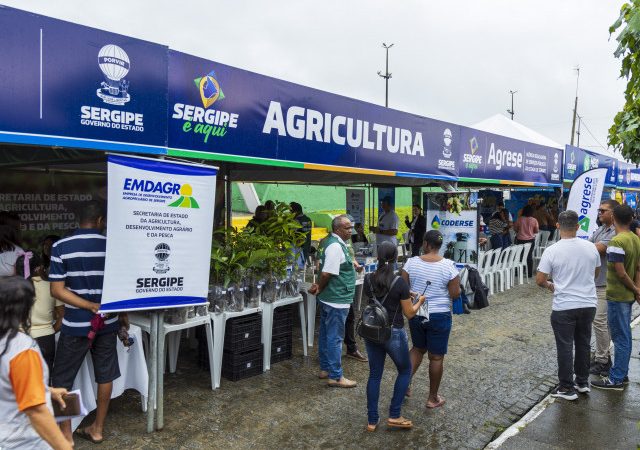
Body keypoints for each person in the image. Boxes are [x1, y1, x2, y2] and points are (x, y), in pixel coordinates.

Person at [49, 200, 125, 444]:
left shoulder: (61, 246)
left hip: (74, 325)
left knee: (62, 381)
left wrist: (86, 305)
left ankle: (65, 437)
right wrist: (116, 313)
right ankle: (97, 428)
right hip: (108, 323)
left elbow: (57, 291)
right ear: (101, 220)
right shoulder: (113, 246)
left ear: (79, 220)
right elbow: (122, 288)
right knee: (105, 375)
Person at [0, 276, 72, 450]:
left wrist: (46, 390)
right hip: (22, 441)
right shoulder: (21, 348)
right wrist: (64, 446)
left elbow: (7, 382)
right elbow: (36, 411)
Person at [536, 210, 600, 400]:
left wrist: (551, 286)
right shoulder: (591, 248)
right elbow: (595, 274)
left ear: (557, 226)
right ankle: (582, 382)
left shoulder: (552, 250)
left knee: (565, 346)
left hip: (564, 305)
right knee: (583, 343)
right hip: (588, 303)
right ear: (578, 226)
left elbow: (540, 279)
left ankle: (566, 387)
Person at [363, 242, 426, 431]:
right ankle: (395, 414)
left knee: (374, 375)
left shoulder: (367, 279)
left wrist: (406, 294)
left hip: (372, 331)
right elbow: (409, 313)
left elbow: (381, 294)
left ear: (378, 256)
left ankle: (372, 421)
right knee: (405, 371)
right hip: (393, 333)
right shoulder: (399, 282)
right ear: (395, 257)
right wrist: (419, 300)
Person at [400, 230, 460, 408]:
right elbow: (454, 294)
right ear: (440, 246)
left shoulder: (410, 263)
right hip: (439, 314)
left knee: (418, 348)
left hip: (417, 310)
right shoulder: (449, 266)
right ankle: (432, 398)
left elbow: (404, 288)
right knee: (436, 357)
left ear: (425, 244)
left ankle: (403, 386)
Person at [308, 215, 362, 388]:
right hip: (336, 299)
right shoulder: (335, 246)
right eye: (347, 228)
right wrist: (321, 287)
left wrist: (319, 287)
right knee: (335, 338)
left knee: (325, 334)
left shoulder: (331, 242)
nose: (351, 231)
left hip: (330, 298)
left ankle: (326, 368)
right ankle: (336, 376)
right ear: (338, 229)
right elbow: (326, 273)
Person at [592, 205, 640, 391]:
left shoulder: (617, 242)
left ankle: (617, 378)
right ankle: (621, 373)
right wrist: (636, 289)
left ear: (614, 218)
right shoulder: (635, 239)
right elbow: (637, 268)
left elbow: (620, 273)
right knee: (624, 336)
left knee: (620, 338)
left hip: (617, 295)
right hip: (626, 295)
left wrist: (635, 288)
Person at [15, 251, 64, 374]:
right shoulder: (51, 286)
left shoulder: (9, 289)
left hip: (19, 339)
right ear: (38, 268)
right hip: (46, 339)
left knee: (22, 382)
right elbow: (62, 318)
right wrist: (49, 330)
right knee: (45, 381)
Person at [588, 200, 618, 377]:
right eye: (599, 210)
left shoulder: (615, 232)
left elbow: (596, 249)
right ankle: (602, 356)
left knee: (600, 321)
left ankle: (603, 361)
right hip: (596, 282)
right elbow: (589, 244)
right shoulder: (601, 229)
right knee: (601, 322)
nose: (599, 213)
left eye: (603, 210)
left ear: (613, 213)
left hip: (606, 284)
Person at [514, 205, 539, 277]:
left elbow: (515, 229)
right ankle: (529, 274)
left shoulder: (519, 219)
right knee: (529, 256)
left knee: (519, 255)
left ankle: (517, 272)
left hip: (520, 240)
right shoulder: (534, 220)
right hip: (531, 240)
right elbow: (536, 231)